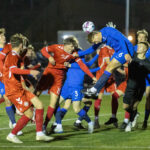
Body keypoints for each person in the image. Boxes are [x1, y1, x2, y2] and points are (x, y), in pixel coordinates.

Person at [35, 36, 97, 132]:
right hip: (56, 78)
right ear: (67, 45)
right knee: (38, 94)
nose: (73, 50)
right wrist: (49, 57)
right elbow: (43, 50)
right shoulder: (57, 47)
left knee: (72, 107)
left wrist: (93, 76)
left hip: (69, 83)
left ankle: (50, 125)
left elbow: (84, 66)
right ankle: (55, 123)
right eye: (72, 47)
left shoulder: (75, 55)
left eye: (75, 48)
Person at [3, 34, 53, 143]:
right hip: (14, 90)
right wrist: (30, 71)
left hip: (20, 88)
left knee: (39, 105)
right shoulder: (12, 55)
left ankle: (39, 134)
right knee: (29, 114)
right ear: (20, 45)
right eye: (24, 45)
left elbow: (21, 63)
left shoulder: (17, 55)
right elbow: (14, 70)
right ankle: (12, 135)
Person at [54, 49, 100, 134]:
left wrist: (101, 66)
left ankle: (90, 123)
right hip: (66, 87)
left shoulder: (80, 64)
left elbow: (87, 67)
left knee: (76, 109)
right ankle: (58, 125)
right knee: (55, 104)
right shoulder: (71, 61)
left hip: (76, 88)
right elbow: (89, 66)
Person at [79, 27, 134, 97]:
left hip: (126, 49)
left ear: (96, 34)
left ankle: (94, 90)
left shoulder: (108, 30)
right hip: (118, 52)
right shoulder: (101, 38)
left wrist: (126, 53)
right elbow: (92, 49)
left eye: (95, 41)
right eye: (95, 42)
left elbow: (121, 39)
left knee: (109, 67)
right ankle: (95, 90)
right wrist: (78, 54)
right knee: (109, 68)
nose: (96, 43)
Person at [123, 41, 150, 132]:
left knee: (133, 106)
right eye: (138, 46)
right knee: (126, 107)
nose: (138, 48)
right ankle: (135, 114)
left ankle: (130, 123)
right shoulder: (132, 57)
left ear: (145, 49)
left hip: (140, 87)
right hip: (130, 86)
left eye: (141, 47)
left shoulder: (147, 63)